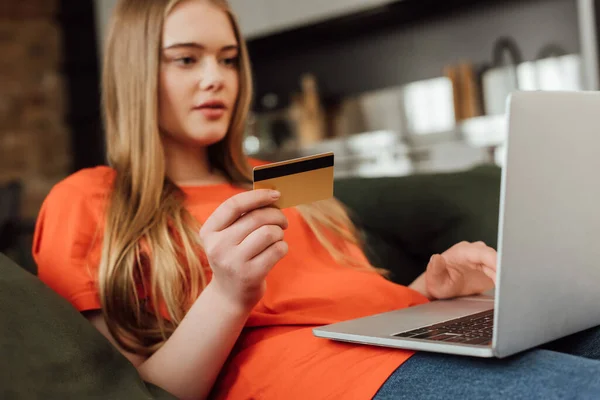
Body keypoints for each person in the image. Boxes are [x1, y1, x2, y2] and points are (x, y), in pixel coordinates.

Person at [32, 1, 600, 399]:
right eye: (187, 59)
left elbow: (344, 299)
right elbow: (136, 391)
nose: (217, 79)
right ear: (134, 70)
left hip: (402, 339)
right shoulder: (87, 198)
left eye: (229, 59)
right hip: (311, 371)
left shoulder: (282, 174)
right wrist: (229, 293)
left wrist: (426, 293)